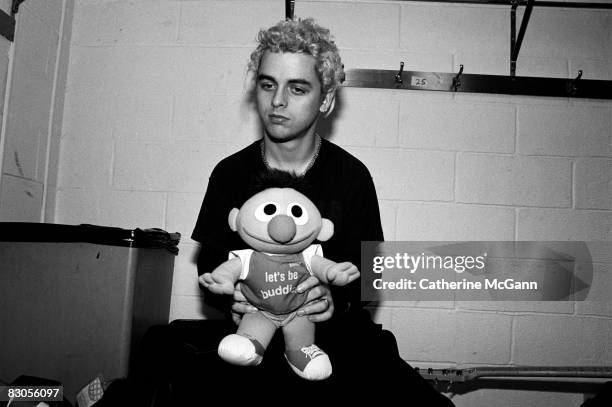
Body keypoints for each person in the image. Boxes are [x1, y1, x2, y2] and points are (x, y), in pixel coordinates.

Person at [130, 17, 455, 406]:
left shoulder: (351, 176)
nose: (278, 101)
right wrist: (231, 296)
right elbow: (210, 265)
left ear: (326, 100)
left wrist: (333, 298)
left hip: (331, 340)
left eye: (297, 88)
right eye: (268, 85)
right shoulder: (230, 173)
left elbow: (368, 275)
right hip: (253, 335)